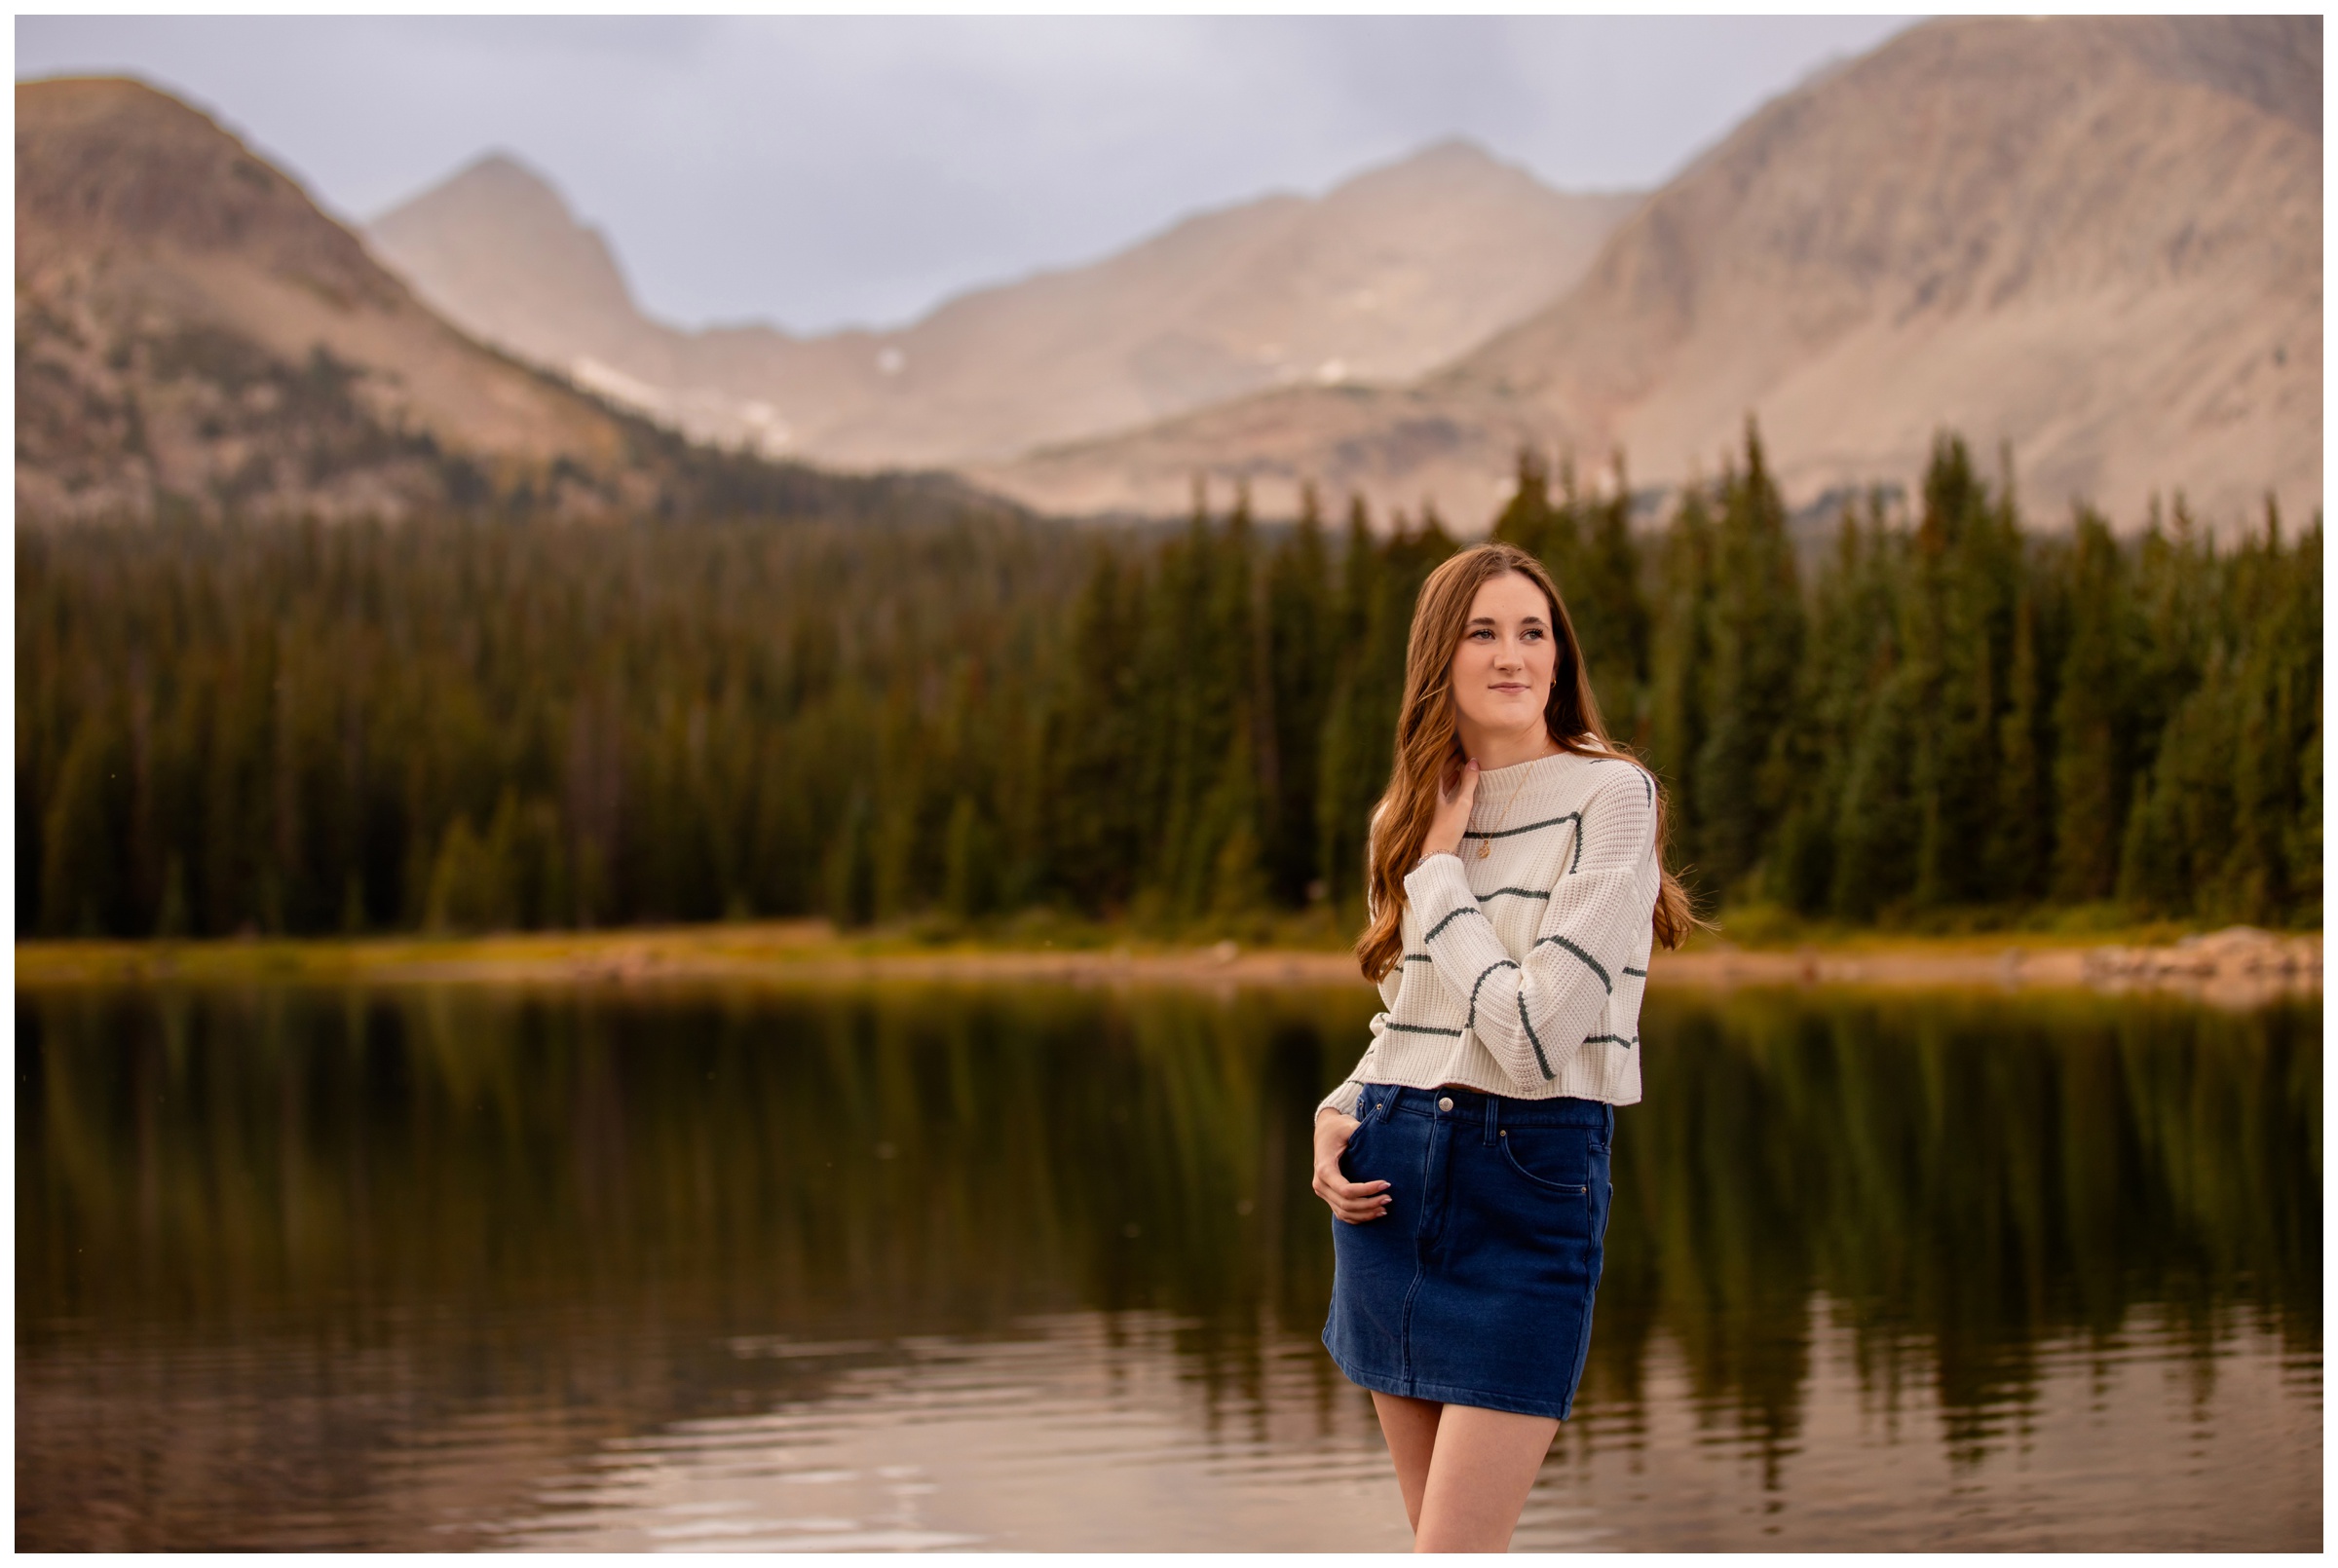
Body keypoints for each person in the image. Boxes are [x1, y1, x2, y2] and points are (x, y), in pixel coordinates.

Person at [1310, 541, 1696, 1551]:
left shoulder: (1613, 799)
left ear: (1561, 656)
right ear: (1441, 654)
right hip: (1389, 1173)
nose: (1513, 654)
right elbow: (1411, 1014)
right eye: (1484, 631)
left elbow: (1530, 1038)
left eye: (1535, 631)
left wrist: (1440, 878)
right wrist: (1338, 1103)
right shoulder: (1407, 814)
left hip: (1529, 1175)